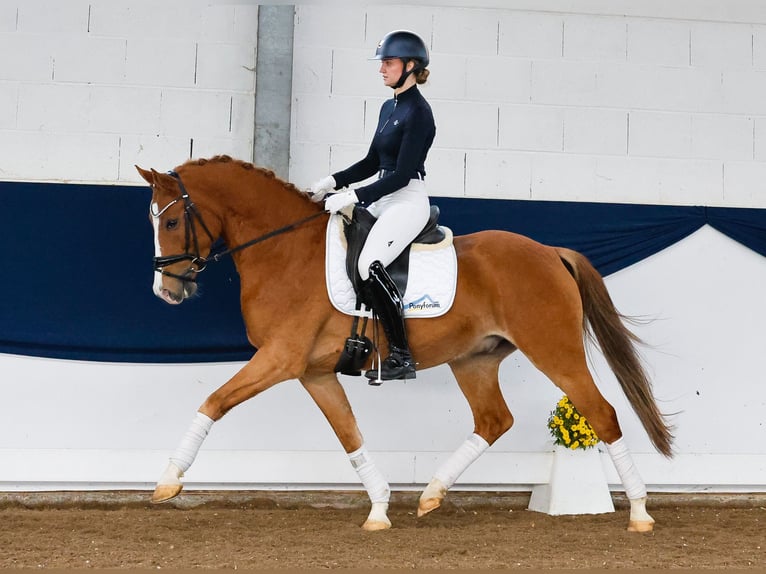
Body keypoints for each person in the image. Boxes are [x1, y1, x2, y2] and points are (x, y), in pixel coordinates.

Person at [309, 30, 436, 382]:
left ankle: (401, 354)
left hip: (407, 199)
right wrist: (333, 182)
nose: (382, 69)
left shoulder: (419, 113)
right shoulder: (388, 106)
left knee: (368, 263)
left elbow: (402, 175)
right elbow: (371, 162)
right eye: (382, 62)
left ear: (411, 66)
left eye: (389, 63)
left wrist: (354, 196)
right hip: (383, 195)